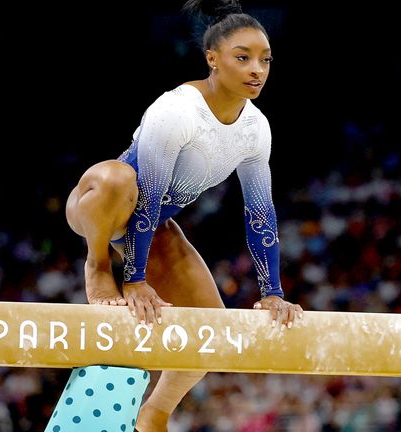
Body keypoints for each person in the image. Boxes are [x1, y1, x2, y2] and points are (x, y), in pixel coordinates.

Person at [65, 0, 303, 429]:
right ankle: (97, 262)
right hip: (101, 205)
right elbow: (149, 194)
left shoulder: (256, 129)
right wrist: (133, 280)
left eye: (266, 60)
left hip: (154, 226)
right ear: (212, 59)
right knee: (120, 179)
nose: (258, 70)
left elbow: (260, 213)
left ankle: (154, 411)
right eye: (243, 58)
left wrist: (272, 291)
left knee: (208, 332)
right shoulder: (176, 111)